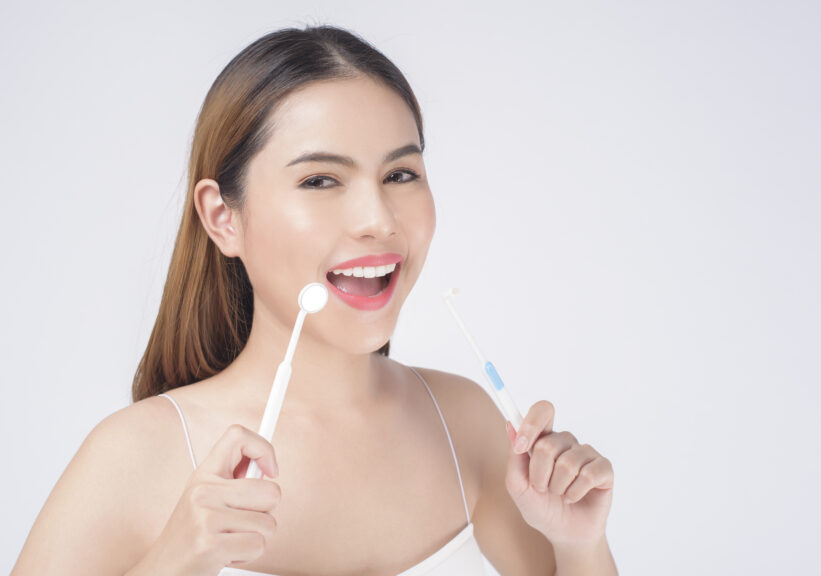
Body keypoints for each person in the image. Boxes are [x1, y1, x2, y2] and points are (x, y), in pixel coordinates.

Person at [12, 24, 616, 575]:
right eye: (320, 180)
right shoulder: (134, 457)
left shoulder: (467, 425)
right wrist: (173, 562)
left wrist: (580, 544)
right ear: (223, 217)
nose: (377, 219)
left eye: (400, 174)